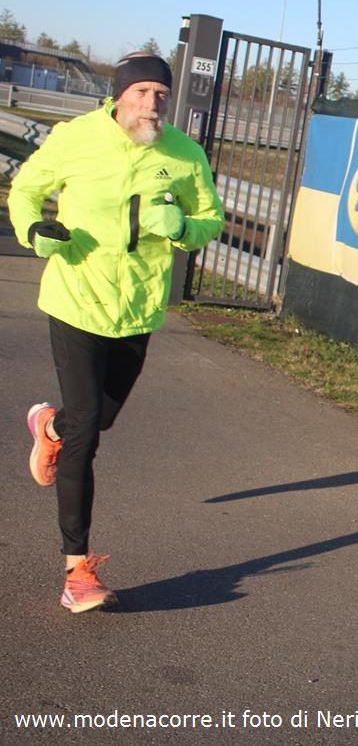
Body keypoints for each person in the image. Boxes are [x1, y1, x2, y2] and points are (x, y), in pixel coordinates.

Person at [10, 52, 224, 613]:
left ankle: (48, 425)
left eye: (161, 94)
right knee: (88, 430)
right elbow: (25, 190)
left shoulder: (184, 154)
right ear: (119, 95)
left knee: (98, 416)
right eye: (141, 92)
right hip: (77, 297)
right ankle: (77, 571)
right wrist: (35, 230)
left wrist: (183, 227)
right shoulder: (76, 138)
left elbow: (211, 219)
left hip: (137, 309)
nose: (152, 103)